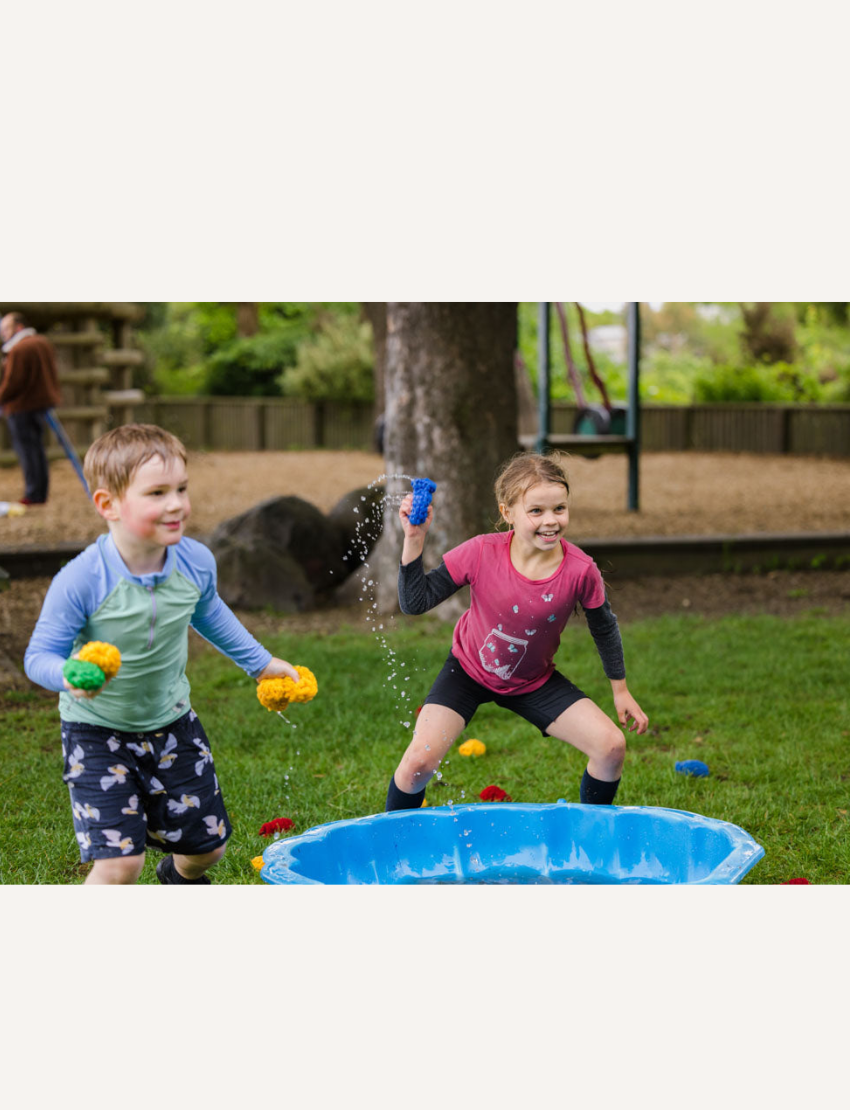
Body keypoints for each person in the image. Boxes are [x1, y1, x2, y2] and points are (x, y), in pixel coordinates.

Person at [24, 423, 301, 885]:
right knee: (119, 864)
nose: (175, 503)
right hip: (97, 733)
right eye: (156, 492)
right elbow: (39, 656)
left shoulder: (195, 562)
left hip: (173, 724)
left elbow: (210, 614)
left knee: (208, 849)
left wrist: (261, 663)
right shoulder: (82, 579)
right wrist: (69, 673)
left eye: (181, 489)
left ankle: (177, 879)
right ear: (108, 505)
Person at [386, 452, 648, 812]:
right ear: (507, 513)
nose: (551, 521)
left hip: (534, 682)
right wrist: (414, 538)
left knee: (611, 746)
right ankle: (396, 849)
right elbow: (415, 602)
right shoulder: (480, 552)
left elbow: (604, 626)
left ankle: (591, 838)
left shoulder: (580, 570)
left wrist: (620, 690)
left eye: (559, 509)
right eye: (536, 511)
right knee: (417, 764)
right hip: (467, 671)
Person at [0, 312, 62, 505]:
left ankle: (33, 493)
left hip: (22, 407)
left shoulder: (19, 349)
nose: (3, 334)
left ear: (18, 328)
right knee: (37, 450)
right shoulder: (42, 342)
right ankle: (40, 492)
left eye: (6, 329)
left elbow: (13, 383)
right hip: (41, 404)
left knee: (27, 452)